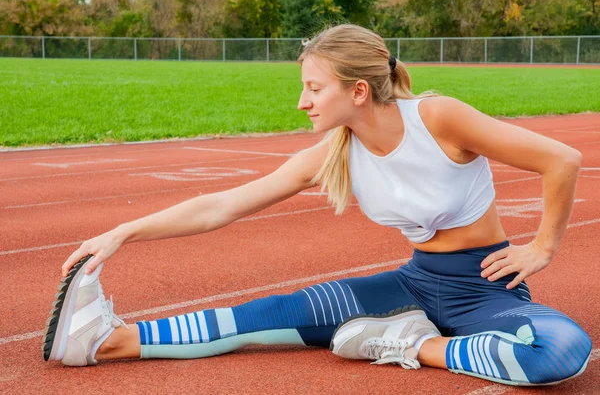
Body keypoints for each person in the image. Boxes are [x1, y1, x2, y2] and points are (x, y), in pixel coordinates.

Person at [43, 24, 591, 386]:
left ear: (357, 90)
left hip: (484, 289)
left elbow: (561, 160)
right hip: (413, 285)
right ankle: (107, 340)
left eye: (313, 88)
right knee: (264, 316)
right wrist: (123, 231)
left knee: (557, 352)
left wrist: (541, 248)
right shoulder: (334, 153)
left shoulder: (438, 118)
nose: (302, 102)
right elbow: (222, 206)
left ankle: (407, 343)